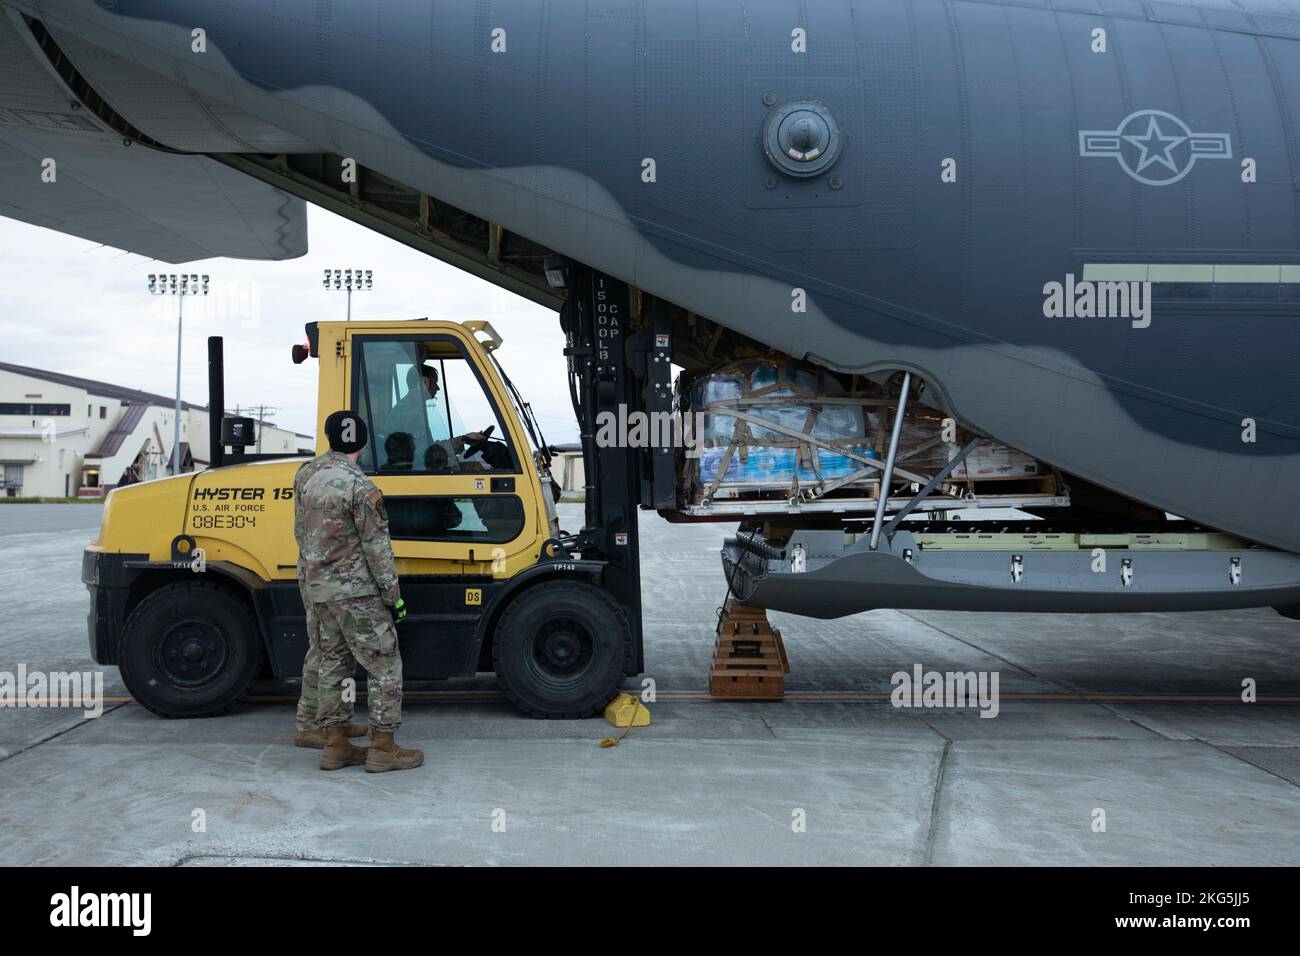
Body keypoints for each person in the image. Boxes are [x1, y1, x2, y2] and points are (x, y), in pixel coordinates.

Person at [294, 410, 424, 773]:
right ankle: (383, 748)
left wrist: (310, 582)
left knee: (333, 663)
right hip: (358, 594)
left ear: (330, 438)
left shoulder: (307, 476)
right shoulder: (362, 488)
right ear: (363, 443)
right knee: (384, 665)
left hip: (319, 590)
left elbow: (301, 536)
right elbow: (377, 550)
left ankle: (334, 746)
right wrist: (393, 597)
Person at [292, 451, 368, 750]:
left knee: (340, 652)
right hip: (327, 573)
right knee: (323, 649)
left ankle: (337, 719)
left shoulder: (308, 471)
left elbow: (301, 529)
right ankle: (309, 724)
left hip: (315, 569)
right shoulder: (341, 474)